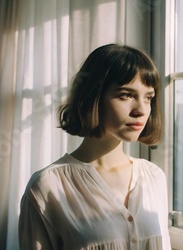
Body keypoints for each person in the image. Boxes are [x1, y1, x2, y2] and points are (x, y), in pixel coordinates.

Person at [19, 44, 171, 250]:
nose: (141, 110)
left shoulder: (154, 177)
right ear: (93, 97)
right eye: (126, 95)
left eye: (148, 97)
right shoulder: (47, 186)